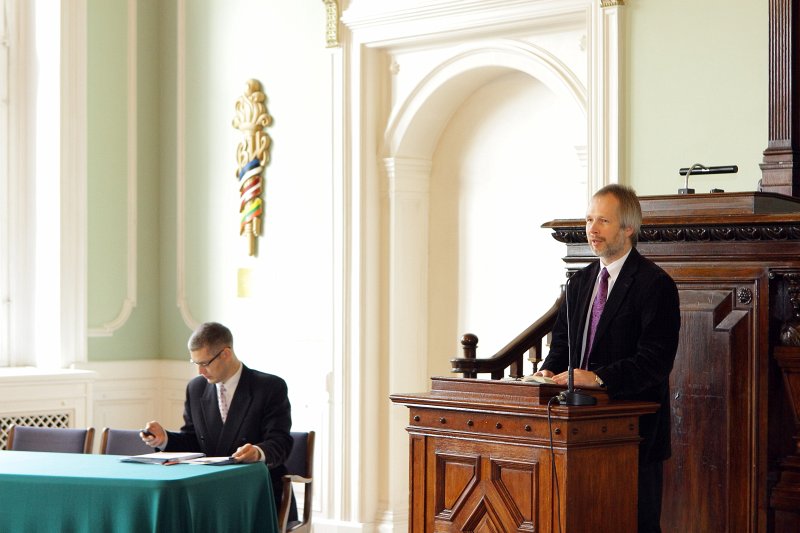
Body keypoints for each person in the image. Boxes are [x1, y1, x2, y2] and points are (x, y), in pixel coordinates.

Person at [534, 184, 681, 533]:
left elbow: (655, 361)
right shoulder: (580, 281)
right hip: (575, 427)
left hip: (633, 434)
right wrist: (547, 372)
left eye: (603, 220)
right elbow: (562, 346)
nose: (592, 229)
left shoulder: (655, 284)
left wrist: (599, 379)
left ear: (628, 227)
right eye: (588, 219)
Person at [141, 321, 296, 521]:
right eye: (195, 364)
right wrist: (164, 440)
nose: (200, 372)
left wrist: (258, 452)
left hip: (256, 491)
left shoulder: (269, 387)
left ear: (226, 354)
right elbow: (193, 441)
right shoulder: (196, 388)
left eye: (204, 363)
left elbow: (281, 442)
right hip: (206, 492)